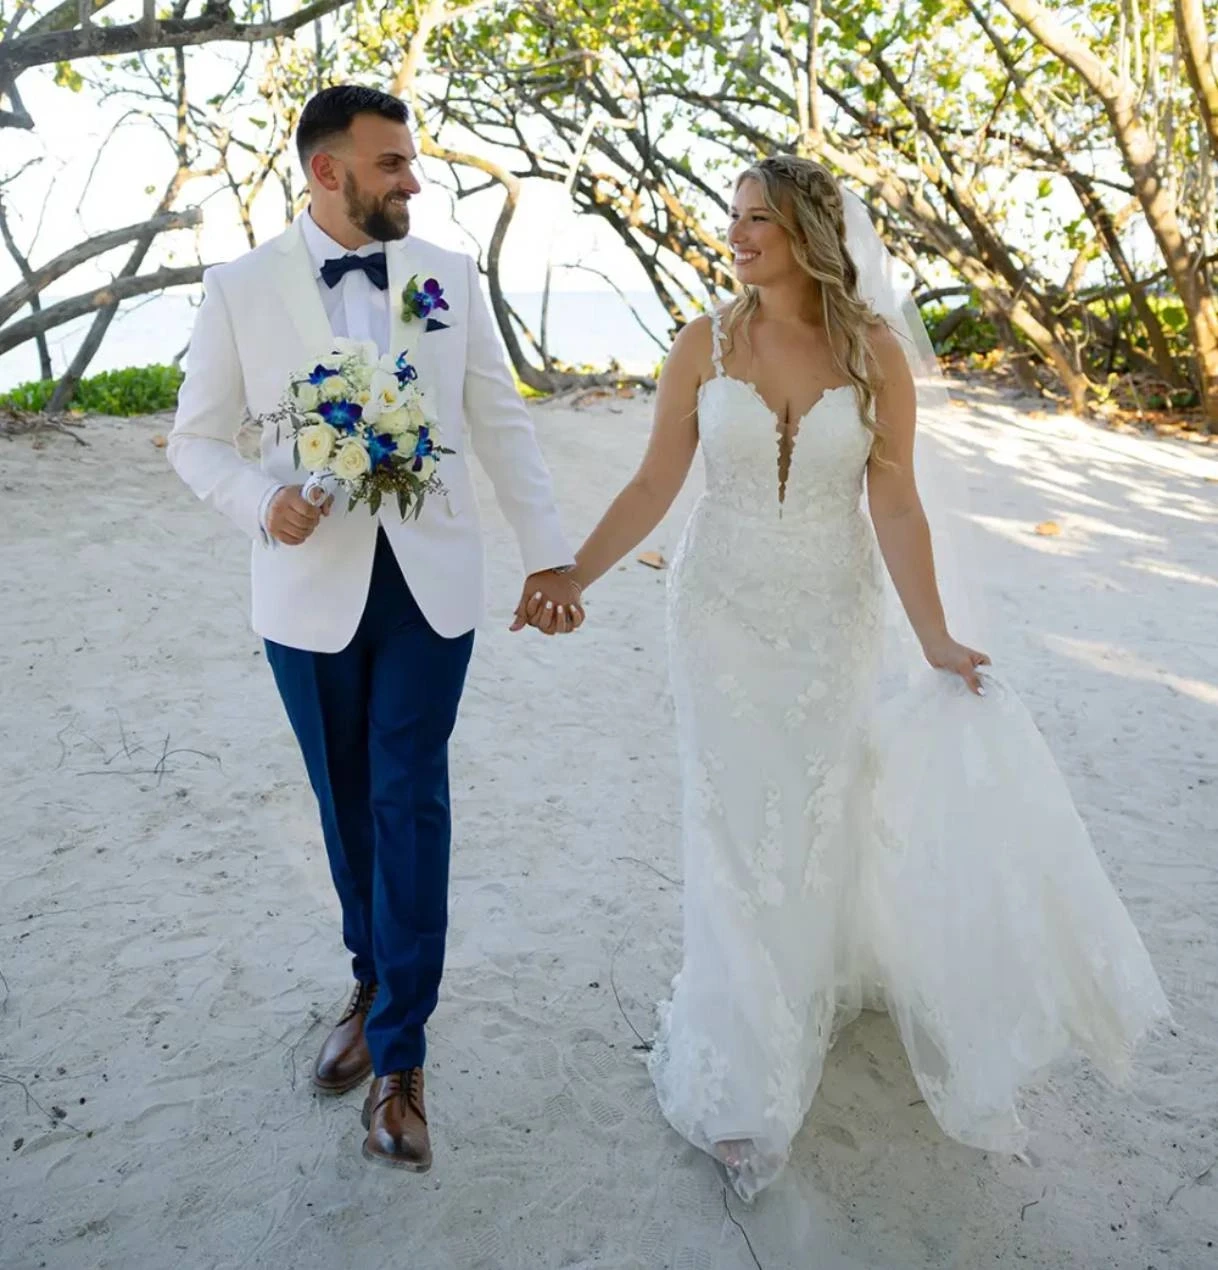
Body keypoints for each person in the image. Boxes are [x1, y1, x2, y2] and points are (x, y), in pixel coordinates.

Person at [537, 154, 1170, 1200]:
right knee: (731, 821)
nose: (738, 236)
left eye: (760, 220)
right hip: (717, 613)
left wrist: (936, 636)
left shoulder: (875, 354)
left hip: (832, 616)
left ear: (810, 235)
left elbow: (898, 502)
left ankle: (807, 976)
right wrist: (574, 573)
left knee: (816, 809)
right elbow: (655, 482)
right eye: (734, 218)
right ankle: (742, 1070)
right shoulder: (703, 342)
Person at [167, 84, 584, 1172]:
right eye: (391, 163)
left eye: (410, 161)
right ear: (328, 171)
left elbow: (498, 419)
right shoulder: (240, 288)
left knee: (409, 797)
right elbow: (194, 440)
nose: (413, 180)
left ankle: (402, 1057)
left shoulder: (447, 275)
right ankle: (371, 976)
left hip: (430, 586)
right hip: (304, 591)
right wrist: (262, 501)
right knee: (344, 800)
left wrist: (548, 553)